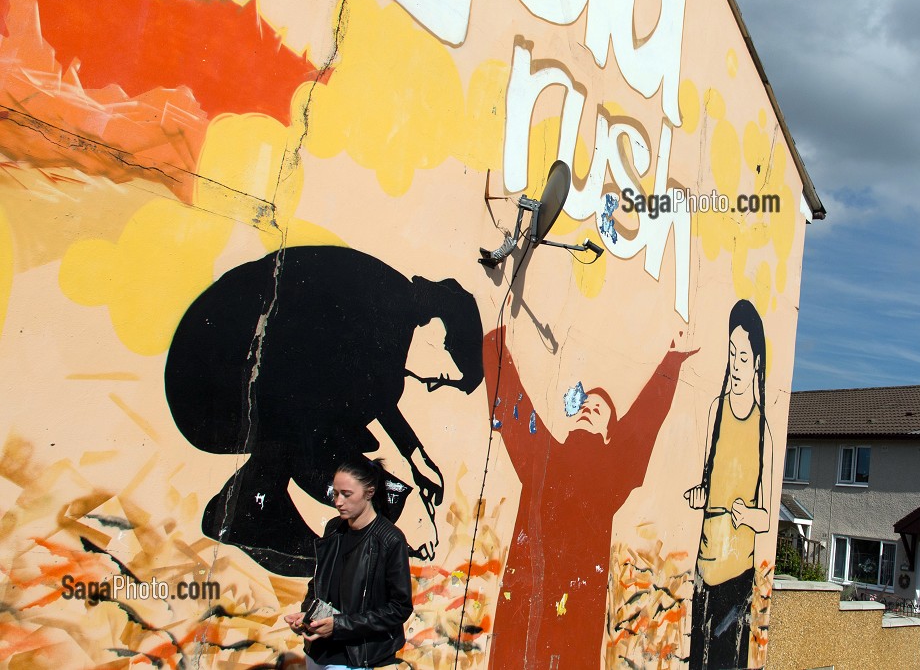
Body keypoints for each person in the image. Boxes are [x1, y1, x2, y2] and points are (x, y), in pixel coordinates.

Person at [166, 245, 484, 575]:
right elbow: (365, 394)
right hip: (214, 380)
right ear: (441, 332)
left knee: (376, 484)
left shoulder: (392, 312)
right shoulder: (387, 310)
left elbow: (374, 393)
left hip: (236, 375)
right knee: (336, 449)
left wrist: (417, 462)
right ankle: (252, 506)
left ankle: (254, 505)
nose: (430, 383)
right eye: (440, 378)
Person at [483, 327, 698, 669]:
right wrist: (494, 341)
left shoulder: (609, 474)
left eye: (598, 409)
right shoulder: (544, 457)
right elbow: (512, 405)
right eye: (585, 405)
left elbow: (644, 421)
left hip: (574, 617)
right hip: (523, 611)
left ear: (610, 434)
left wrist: (671, 361)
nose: (587, 408)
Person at [686, 300, 774, 670]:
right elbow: (706, 482)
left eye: (743, 357)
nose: (735, 365)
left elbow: (767, 518)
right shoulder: (714, 412)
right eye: (732, 354)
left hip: (737, 577)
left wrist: (747, 515)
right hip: (703, 573)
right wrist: (699, 496)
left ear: (756, 363)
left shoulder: (763, 432)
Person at [285, 458, 413, 670]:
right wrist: (307, 615)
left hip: (356, 658)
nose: (338, 502)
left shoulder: (390, 540)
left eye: (346, 494)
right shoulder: (334, 529)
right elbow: (318, 583)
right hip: (318, 652)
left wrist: (339, 626)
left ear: (369, 493)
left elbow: (399, 608)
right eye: (335, 493)